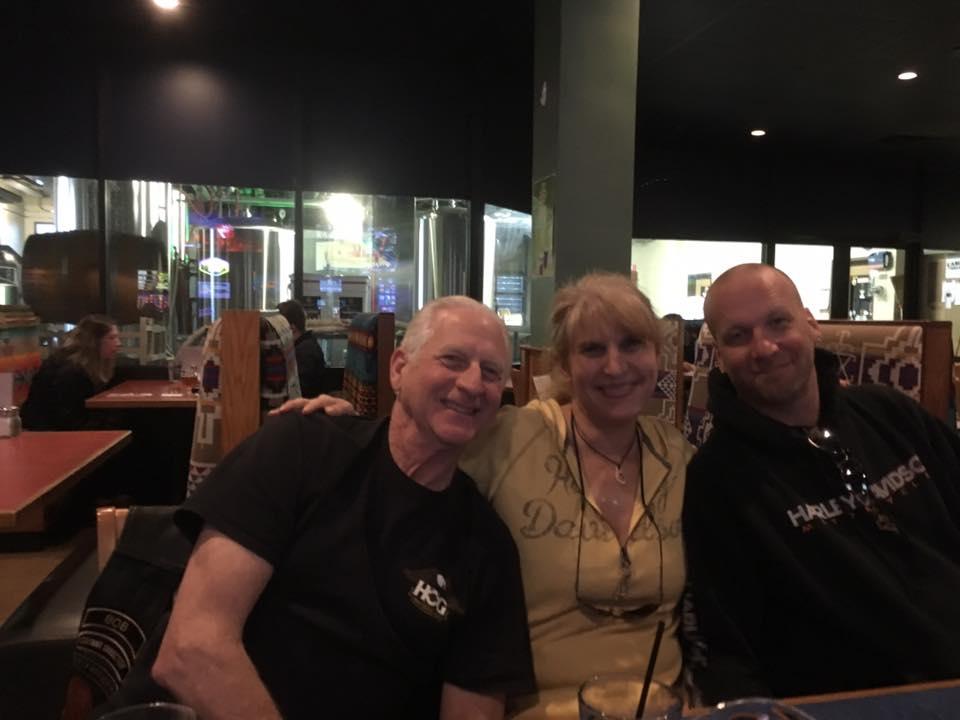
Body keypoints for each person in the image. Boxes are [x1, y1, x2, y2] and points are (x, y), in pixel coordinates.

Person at [280, 273, 693, 718]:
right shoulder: (511, 438)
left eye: (632, 345)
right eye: (592, 349)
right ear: (565, 366)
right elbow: (410, 450)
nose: (615, 366)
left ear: (657, 355)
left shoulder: (680, 458)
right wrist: (351, 429)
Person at [151, 296, 535, 720]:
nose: (473, 383)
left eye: (492, 372)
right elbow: (191, 648)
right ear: (399, 369)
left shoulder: (487, 546)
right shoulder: (301, 448)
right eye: (453, 360)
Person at [683, 263, 960, 702]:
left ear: (811, 325)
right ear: (720, 356)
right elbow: (726, 651)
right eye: (738, 335)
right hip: (859, 706)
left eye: (778, 322)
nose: (764, 347)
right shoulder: (717, 480)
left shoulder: (889, 413)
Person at [21, 314, 121, 430]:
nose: (118, 343)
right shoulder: (70, 371)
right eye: (111, 338)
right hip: (49, 433)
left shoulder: (84, 365)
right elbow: (68, 419)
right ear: (94, 341)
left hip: (62, 427)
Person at [277, 299, 327, 397]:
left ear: (291, 328)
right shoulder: (304, 345)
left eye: (278, 329)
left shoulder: (304, 352)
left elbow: (299, 392)